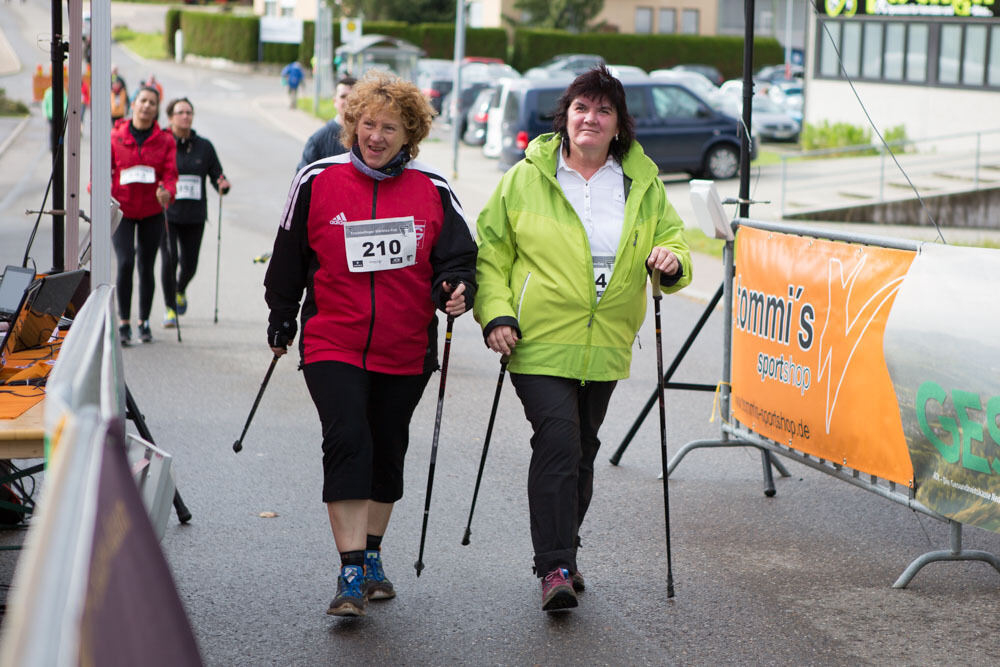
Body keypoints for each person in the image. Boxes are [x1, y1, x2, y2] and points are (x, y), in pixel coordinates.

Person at [473, 65, 692, 612]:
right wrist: (496, 314)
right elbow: (492, 252)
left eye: (603, 110)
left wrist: (670, 261)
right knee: (559, 441)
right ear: (565, 118)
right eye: (580, 108)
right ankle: (553, 567)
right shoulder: (525, 178)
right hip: (537, 339)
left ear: (618, 125)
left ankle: (565, 555)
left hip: (607, 342)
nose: (590, 118)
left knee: (584, 451)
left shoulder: (641, 183)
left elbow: (673, 243)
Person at [264, 70, 477, 618]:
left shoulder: (434, 190)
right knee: (348, 439)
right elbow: (287, 255)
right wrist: (281, 317)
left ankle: (374, 554)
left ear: (410, 135)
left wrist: (457, 289)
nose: (376, 136)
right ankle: (350, 568)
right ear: (351, 125)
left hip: (404, 348)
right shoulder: (317, 180)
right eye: (367, 124)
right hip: (333, 339)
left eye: (389, 128)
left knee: (387, 449)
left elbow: (457, 259)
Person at [110, 86, 177, 345]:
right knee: (125, 261)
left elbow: (171, 174)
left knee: (146, 265)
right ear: (134, 104)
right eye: (143, 101)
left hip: (151, 210)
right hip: (123, 210)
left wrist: (167, 191)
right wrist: (99, 189)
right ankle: (124, 322)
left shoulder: (165, 140)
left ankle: (144, 321)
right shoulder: (116, 135)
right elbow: (103, 169)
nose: (147, 106)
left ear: (157, 108)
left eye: (152, 102)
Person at [159, 97, 231, 328]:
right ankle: (170, 308)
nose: (186, 116)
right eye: (180, 112)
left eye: (189, 112)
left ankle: (180, 290)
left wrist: (222, 184)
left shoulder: (204, 146)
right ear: (170, 117)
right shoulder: (161, 141)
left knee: (190, 264)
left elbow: (216, 174)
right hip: (168, 213)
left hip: (194, 215)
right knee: (170, 260)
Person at [296, 75, 356, 171]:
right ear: (334, 101)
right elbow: (303, 180)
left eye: (353, 97)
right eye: (343, 96)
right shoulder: (317, 140)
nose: (348, 101)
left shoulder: (370, 139)